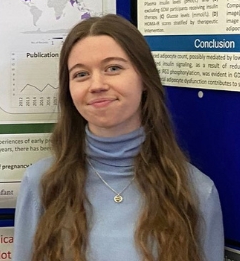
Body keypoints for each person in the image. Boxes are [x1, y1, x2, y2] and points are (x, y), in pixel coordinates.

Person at [13, 14, 223, 261]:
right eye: (81, 74)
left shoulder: (195, 191)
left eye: (113, 68)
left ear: (144, 78)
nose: (97, 84)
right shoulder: (41, 184)